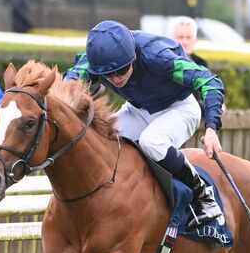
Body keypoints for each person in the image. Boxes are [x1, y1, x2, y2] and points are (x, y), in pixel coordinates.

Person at [64, 20, 225, 228]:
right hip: (138, 109)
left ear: (134, 57)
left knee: (152, 141)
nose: (115, 79)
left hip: (180, 108)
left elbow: (209, 80)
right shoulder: (95, 60)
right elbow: (68, 82)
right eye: (108, 75)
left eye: (121, 71)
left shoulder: (157, 57)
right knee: (101, 139)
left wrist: (211, 128)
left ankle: (203, 196)